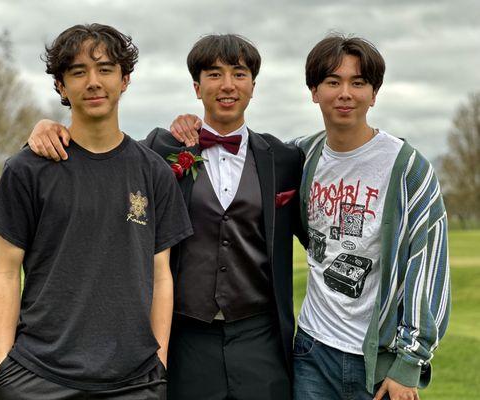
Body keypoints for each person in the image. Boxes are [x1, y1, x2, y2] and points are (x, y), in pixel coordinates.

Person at [166, 34, 451, 400]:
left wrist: (410, 362)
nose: (345, 93)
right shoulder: (302, 155)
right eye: (333, 82)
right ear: (314, 91)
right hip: (311, 352)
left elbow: (427, 265)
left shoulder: (407, 168)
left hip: (374, 360)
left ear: (374, 93)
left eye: (358, 82)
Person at [26, 33, 306, 400]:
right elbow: (100, 155)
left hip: (262, 338)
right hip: (185, 338)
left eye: (238, 74)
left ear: (253, 85)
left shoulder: (284, 160)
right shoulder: (162, 149)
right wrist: (47, 130)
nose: (227, 85)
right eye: (213, 74)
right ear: (196, 86)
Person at [0, 23, 192, 400]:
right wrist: (4, 367)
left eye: (105, 69)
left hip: (135, 380)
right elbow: (4, 271)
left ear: (125, 79)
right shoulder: (26, 169)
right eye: (78, 72)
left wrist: (158, 361)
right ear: (61, 86)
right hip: (39, 376)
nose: (93, 82)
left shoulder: (154, 173)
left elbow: (161, 276)